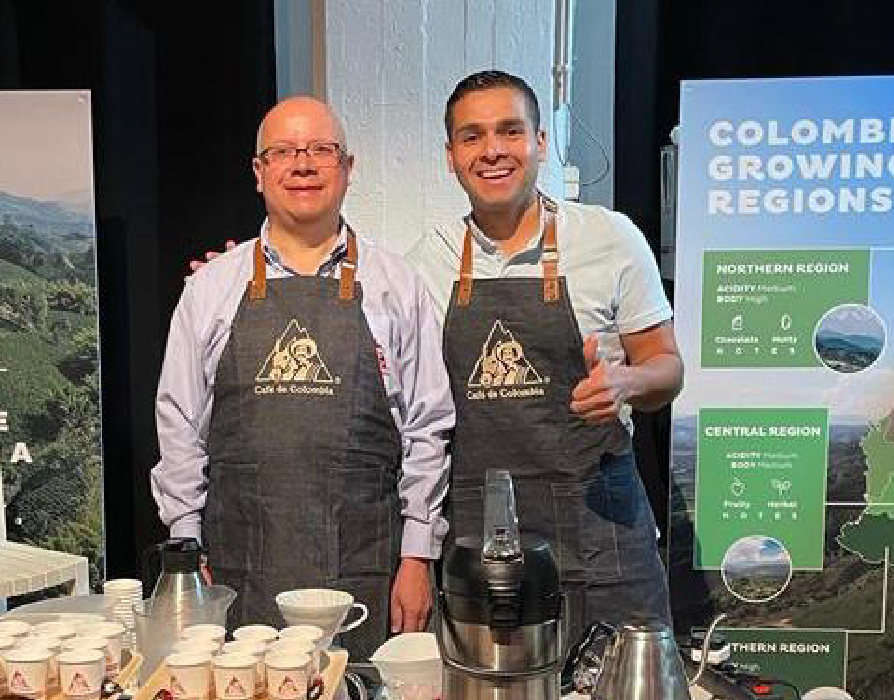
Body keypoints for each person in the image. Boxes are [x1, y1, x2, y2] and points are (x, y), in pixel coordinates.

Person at [150, 96, 454, 657]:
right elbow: (180, 429)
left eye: (321, 150)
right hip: (238, 571)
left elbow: (427, 430)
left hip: (368, 571)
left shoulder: (399, 286)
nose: (304, 164)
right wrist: (187, 551)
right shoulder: (211, 289)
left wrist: (418, 557)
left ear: (347, 168)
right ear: (259, 172)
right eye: (284, 151)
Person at [409, 70, 683, 634]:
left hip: (601, 526)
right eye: (472, 136)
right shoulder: (426, 263)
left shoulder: (610, 238)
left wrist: (627, 383)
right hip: (481, 543)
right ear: (450, 155)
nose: (492, 151)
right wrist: (232, 271)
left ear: (539, 142)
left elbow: (668, 366)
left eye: (510, 131)